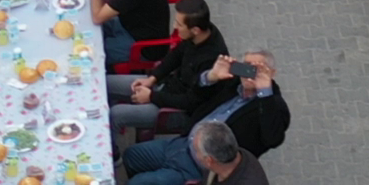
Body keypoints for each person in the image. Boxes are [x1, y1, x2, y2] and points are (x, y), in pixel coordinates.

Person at [119, 53, 290, 183]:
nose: (248, 74)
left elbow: (272, 138)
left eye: (256, 71)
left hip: (202, 165)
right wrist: (210, 77)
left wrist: (264, 93)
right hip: (183, 143)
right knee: (132, 155)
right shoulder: (232, 81)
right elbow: (195, 96)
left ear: (271, 74)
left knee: (139, 182)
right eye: (246, 67)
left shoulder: (274, 105)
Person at [109, 0, 227, 136]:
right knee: (106, 83)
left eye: (179, 24)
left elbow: (190, 102)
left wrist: (151, 96)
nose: (175, 27)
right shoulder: (200, 33)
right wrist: (153, 78)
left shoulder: (210, 62)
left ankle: (112, 154)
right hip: (165, 86)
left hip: (173, 110)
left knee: (115, 114)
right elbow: (175, 55)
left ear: (195, 30)